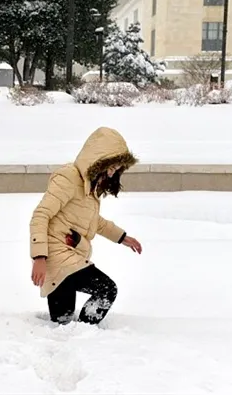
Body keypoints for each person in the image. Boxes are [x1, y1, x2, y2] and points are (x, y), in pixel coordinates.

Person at [29, 126, 143, 325]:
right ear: (99, 160)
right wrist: (39, 257)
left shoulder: (89, 189)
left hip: (67, 260)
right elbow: (41, 215)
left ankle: (76, 342)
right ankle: (88, 334)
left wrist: (123, 238)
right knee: (107, 289)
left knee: (62, 324)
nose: (111, 173)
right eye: (111, 166)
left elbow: (95, 222)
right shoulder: (69, 178)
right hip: (59, 256)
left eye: (116, 169)